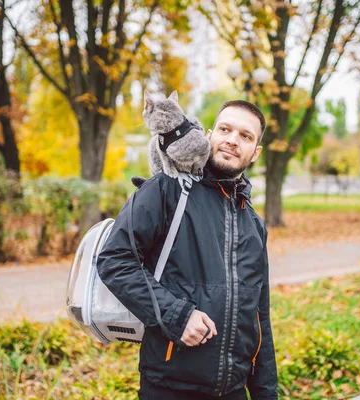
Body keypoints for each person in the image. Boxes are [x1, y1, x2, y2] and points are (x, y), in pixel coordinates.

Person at [97, 100, 278, 400]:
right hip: (170, 388)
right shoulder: (167, 190)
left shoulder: (254, 225)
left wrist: (265, 393)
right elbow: (115, 260)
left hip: (234, 391)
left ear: (256, 152)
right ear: (209, 135)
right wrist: (176, 316)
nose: (232, 140)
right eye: (225, 129)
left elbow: (260, 319)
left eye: (245, 136)